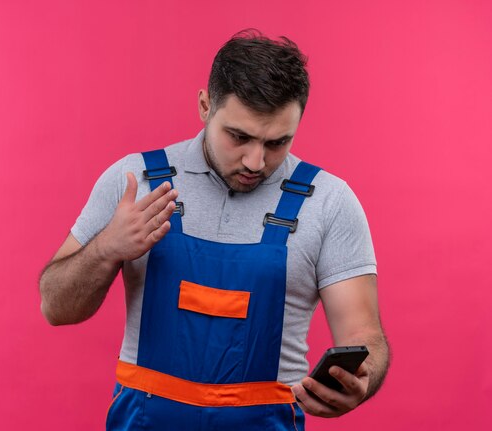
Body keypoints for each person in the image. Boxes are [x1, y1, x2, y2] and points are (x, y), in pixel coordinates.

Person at [39, 29, 390, 430]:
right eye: (239, 137)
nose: (256, 161)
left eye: (278, 142)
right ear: (206, 106)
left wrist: (363, 377)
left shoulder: (329, 202)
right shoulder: (134, 182)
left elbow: (365, 335)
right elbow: (56, 308)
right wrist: (106, 248)